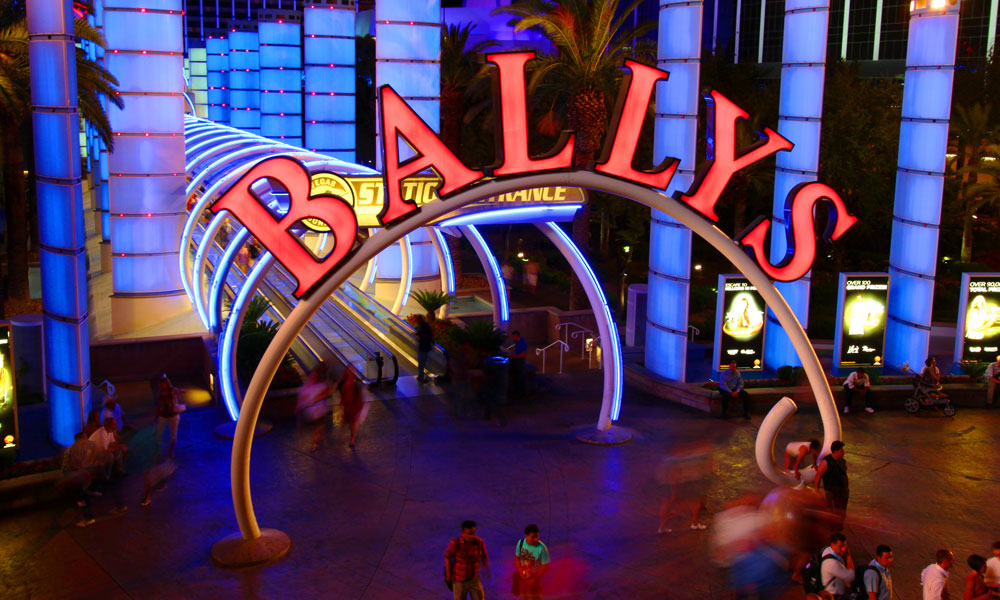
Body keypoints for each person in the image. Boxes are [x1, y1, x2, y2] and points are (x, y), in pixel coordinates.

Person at [445, 520, 489, 600]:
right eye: (470, 534)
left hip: (474, 579)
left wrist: (485, 567)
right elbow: (448, 557)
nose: (472, 537)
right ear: (463, 534)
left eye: (474, 534)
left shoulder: (479, 542)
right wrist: (448, 575)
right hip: (459, 581)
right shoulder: (456, 543)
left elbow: (484, 556)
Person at [296, 363, 333, 452]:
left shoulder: (316, 386)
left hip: (315, 410)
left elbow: (303, 397)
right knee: (317, 426)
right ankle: (316, 440)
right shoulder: (318, 386)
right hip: (315, 410)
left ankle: (314, 442)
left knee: (316, 427)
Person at [814, 440, 849, 527]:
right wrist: (816, 491)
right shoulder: (826, 462)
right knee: (833, 511)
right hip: (832, 492)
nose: (843, 452)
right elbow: (818, 476)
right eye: (841, 450)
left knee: (842, 511)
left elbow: (844, 474)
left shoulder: (842, 461)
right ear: (835, 451)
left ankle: (839, 526)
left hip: (843, 491)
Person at [514, 524, 550, 600]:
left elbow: (545, 567)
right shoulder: (520, 543)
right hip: (523, 580)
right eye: (533, 537)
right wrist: (520, 570)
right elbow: (517, 558)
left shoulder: (542, 548)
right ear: (526, 536)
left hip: (534, 581)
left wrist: (534, 580)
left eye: (537, 536)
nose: (536, 539)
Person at [155, 375, 184, 458]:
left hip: (173, 415)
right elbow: (159, 405)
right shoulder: (161, 393)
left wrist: (180, 392)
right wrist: (156, 416)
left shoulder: (172, 391)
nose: (162, 385)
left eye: (163, 383)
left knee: (173, 436)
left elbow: (180, 391)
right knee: (158, 434)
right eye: (161, 384)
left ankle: (171, 451)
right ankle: (157, 451)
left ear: (167, 383)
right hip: (163, 415)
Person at [337, 367, 366, 448]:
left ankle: (348, 439)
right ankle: (350, 439)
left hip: (352, 406)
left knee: (349, 422)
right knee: (351, 422)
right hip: (351, 406)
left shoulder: (349, 383)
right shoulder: (351, 382)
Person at [820, 532, 856, 598]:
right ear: (832, 545)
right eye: (840, 546)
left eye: (845, 546)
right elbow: (851, 576)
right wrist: (848, 556)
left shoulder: (829, 552)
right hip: (833, 596)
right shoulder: (832, 562)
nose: (844, 549)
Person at [509, 331, 527, 400]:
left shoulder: (522, 342)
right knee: (516, 376)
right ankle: (517, 390)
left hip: (520, 361)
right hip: (517, 360)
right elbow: (516, 349)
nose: (512, 338)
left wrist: (515, 357)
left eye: (513, 337)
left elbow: (524, 353)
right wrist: (512, 353)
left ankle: (521, 393)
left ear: (516, 336)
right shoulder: (517, 342)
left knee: (520, 376)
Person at [416, 314, 433, 383]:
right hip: (426, 347)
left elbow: (423, 334)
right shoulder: (426, 326)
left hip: (423, 347)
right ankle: (421, 376)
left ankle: (421, 377)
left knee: (421, 362)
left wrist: (417, 334)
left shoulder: (423, 327)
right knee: (422, 362)